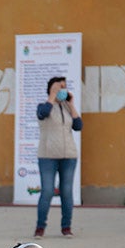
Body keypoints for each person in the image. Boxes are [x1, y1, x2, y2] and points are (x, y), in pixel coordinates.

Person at [34, 76, 82, 238]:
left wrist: (71, 103)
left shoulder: (68, 108)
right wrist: (52, 96)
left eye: (64, 87)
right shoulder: (43, 106)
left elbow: (78, 126)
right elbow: (43, 114)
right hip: (47, 155)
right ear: (50, 89)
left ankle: (66, 227)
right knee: (47, 191)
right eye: (58, 87)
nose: (62, 89)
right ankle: (40, 227)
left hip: (69, 155)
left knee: (66, 192)